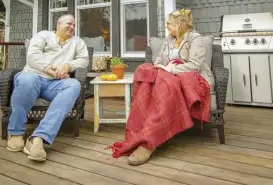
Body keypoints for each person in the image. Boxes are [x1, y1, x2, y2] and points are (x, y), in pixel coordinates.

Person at [109, 9, 213, 166]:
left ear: (179, 25)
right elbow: (158, 61)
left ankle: (149, 142)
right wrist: (162, 70)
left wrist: (170, 69)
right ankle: (138, 132)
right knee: (144, 70)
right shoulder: (169, 40)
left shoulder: (195, 39)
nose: (167, 27)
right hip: (167, 74)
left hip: (190, 77)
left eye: (169, 25)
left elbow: (195, 66)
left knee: (165, 84)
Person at [6, 14, 89, 162]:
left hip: (55, 83)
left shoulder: (78, 42)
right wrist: (48, 69)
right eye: (69, 24)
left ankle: (38, 138)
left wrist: (68, 65)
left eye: (74, 25)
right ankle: (15, 132)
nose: (72, 27)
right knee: (28, 80)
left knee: (74, 84)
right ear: (58, 24)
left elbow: (84, 60)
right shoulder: (43, 35)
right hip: (33, 75)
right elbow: (32, 56)